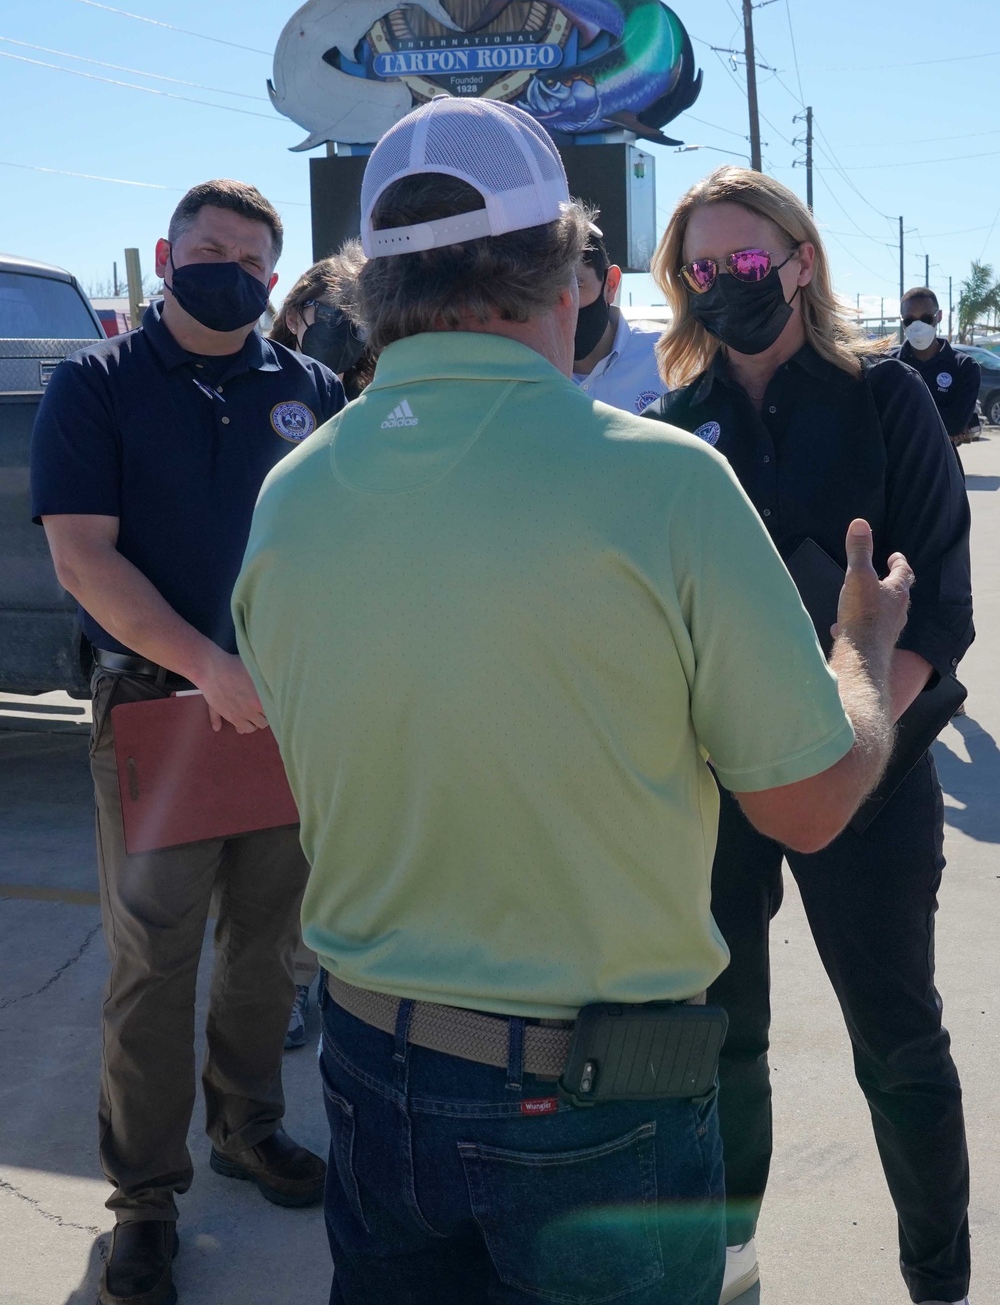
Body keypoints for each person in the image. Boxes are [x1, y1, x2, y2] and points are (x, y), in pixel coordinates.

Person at [233, 97, 914, 1305]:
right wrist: (859, 653)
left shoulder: (294, 494)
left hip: (366, 1067)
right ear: (570, 272)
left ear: (371, 287)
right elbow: (806, 806)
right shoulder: (659, 481)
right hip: (590, 1101)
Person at [643, 167, 974, 1305]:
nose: (722, 285)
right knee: (721, 1036)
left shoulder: (888, 400)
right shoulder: (670, 429)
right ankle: (727, 1267)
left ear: (799, 261)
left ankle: (936, 1276)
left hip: (872, 779)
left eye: (744, 261)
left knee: (898, 1043)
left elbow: (935, 604)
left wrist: (854, 737)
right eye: (700, 268)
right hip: (721, 788)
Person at [30, 180, 345, 1305]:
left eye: (253, 259)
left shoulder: (307, 388)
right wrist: (210, 666)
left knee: (269, 951)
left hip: (278, 717)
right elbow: (82, 557)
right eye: (208, 249)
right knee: (154, 962)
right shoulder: (96, 384)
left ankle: (248, 1130)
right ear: (167, 255)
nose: (232, 270)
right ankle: (145, 1200)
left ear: (274, 273)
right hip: (163, 709)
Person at [268, 242, 375, 1048]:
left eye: (355, 319)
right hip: (297, 655)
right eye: (326, 317)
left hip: (375, 652)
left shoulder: (392, 403)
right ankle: (294, 986)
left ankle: (337, 976)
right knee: (286, 845)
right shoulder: (277, 397)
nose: (341, 334)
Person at [572, 226, 664, 412]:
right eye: (544, 293)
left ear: (610, 284)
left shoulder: (669, 358)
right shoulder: (524, 374)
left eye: (575, 286)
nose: (562, 305)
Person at [269, 243, 376, 402]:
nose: (345, 327)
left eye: (357, 319)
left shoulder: (370, 405)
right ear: (293, 319)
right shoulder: (263, 396)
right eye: (329, 314)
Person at [893, 287, 981, 446]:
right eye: (909, 320)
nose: (917, 326)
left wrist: (900, 410)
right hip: (893, 466)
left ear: (938, 316)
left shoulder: (964, 367)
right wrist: (941, 415)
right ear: (902, 321)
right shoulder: (888, 363)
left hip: (940, 464)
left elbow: (954, 425)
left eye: (926, 318)